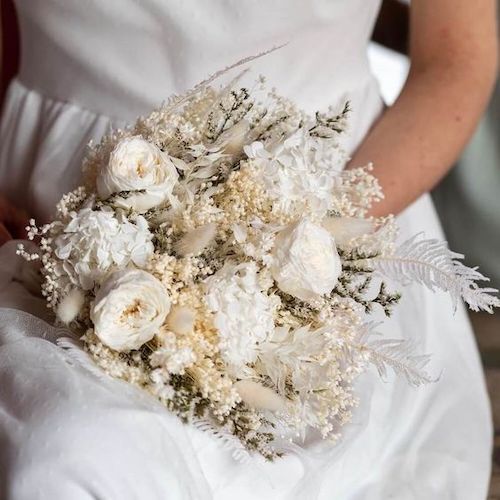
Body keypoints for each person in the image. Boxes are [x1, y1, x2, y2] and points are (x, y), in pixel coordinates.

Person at [0, 1, 497, 498]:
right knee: (72, 453)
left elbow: (455, 59)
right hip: (52, 223)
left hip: (331, 213)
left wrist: (307, 247)